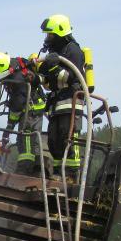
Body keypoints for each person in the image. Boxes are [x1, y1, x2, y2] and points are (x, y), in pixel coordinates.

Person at [36, 14, 86, 173]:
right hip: (57, 103)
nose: (47, 38)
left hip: (71, 102)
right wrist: (36, 77)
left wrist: (53, 67)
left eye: (50, 35)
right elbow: (47, 79)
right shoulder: (54, 53)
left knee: (68, 137)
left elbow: (71, 77)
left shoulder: (73, 51)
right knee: (53, 140)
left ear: (59, 32)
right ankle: (59, 173)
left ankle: (72, 173)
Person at [0, 52, 46, 175]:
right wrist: (8, 130)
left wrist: (9, 127)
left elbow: (17, 106)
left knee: (25, 141)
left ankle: (24, 171)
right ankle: (36, 170)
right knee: (31, 141)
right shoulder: (15, 66)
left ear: (2, 68)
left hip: (30, 111)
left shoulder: (17, 79)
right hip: (32, 108)